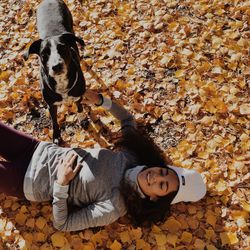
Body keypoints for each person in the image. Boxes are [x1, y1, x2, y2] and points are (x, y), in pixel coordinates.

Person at [0, 90, 206, 231]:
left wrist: (61, 183)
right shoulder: (132, 158)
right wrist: (101, 101)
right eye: (163, 172)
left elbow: (62, 224)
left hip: (28, 181)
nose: (155, 177)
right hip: (37, 149)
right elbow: (128, 120)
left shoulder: (114, 206)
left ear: (154, 198)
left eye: (162, 185)